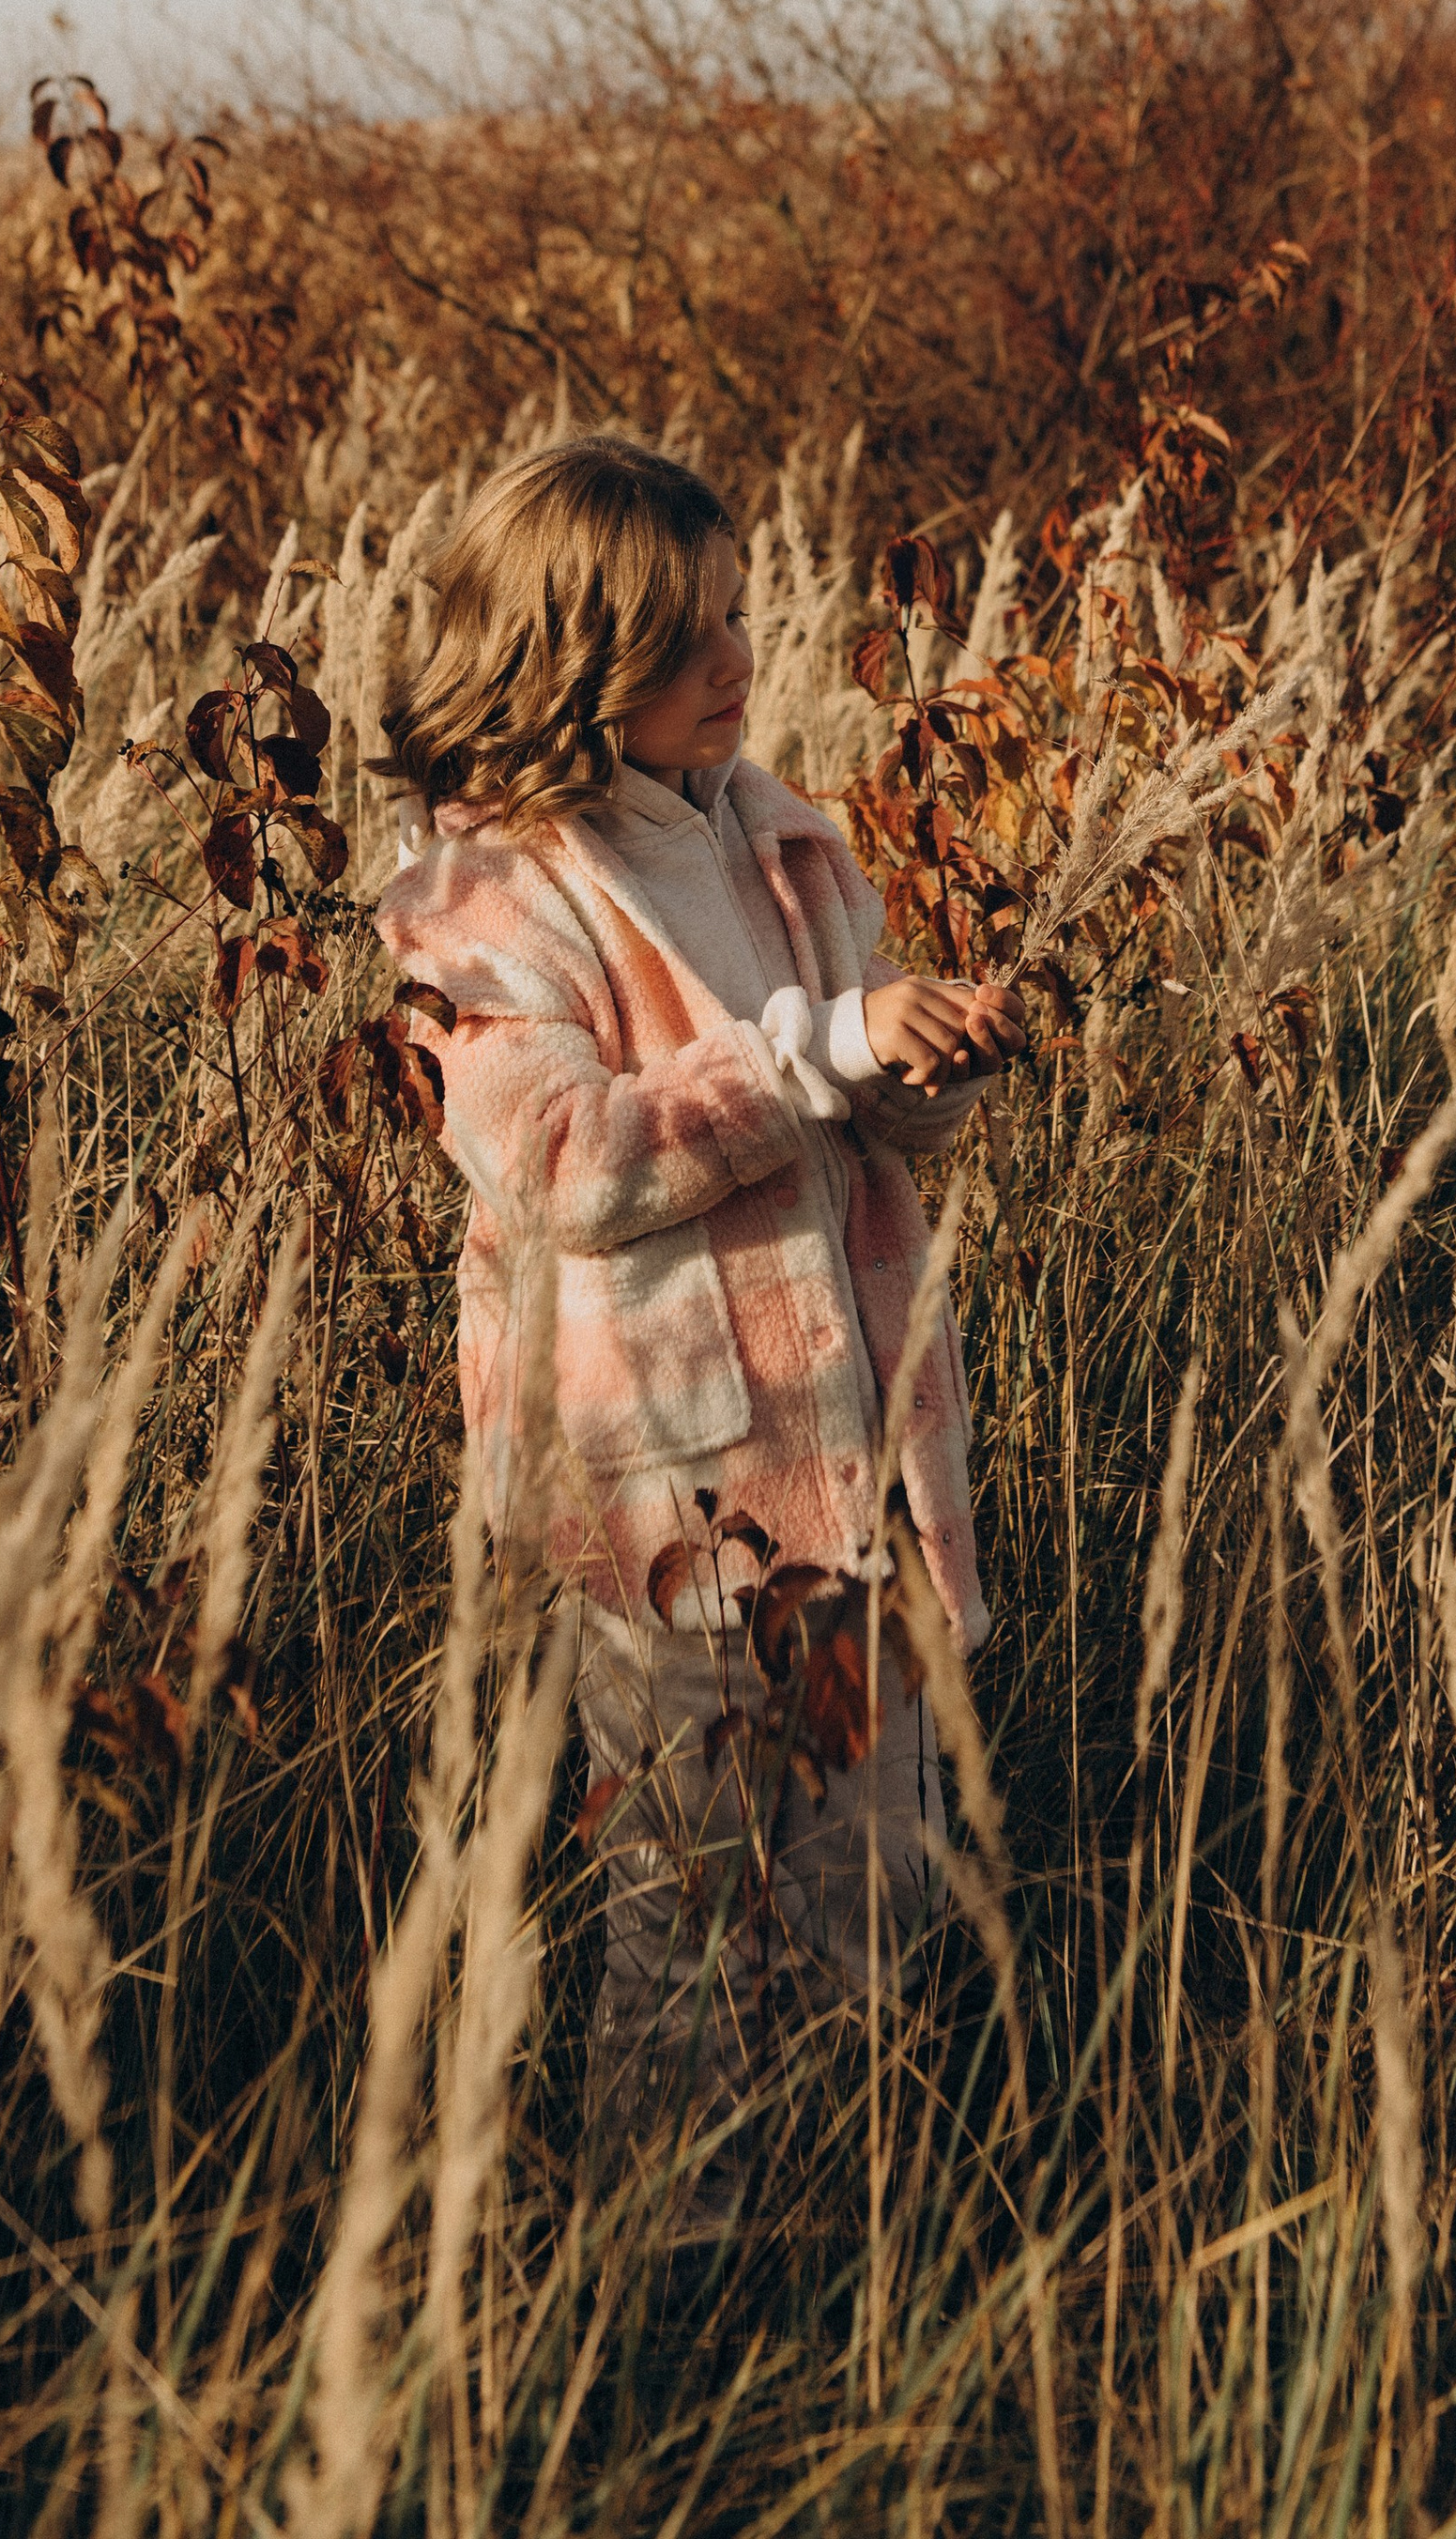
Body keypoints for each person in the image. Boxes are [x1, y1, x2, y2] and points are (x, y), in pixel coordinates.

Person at [372, 437, 1021, 2223]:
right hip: (677, 1514)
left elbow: (859, 1133)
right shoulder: (479, 905)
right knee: (693, 1925)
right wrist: (814, 1051)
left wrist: (916, 1066)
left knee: (869, 1898)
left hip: (861, 1470)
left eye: (738, 614)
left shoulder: (784, 845)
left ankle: (843, 2263)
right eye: (684, 639)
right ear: (563, 668)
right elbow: (565, 1163)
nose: (739, 661)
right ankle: (672, 2284)